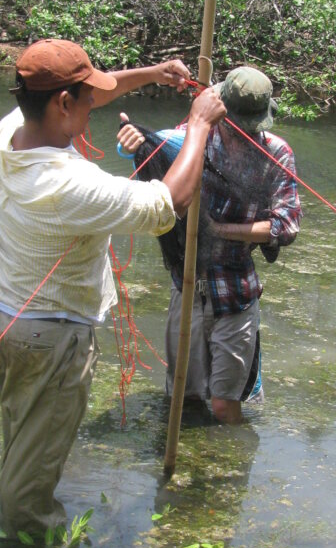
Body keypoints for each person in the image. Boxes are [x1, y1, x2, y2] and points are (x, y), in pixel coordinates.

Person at [0, 38, 226, 537]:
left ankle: (14, 526)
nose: (97, 102)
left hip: (4, 321)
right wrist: (199, 124)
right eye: (86, 97)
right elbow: (167, 203)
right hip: (49, 340)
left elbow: (89, 92)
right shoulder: (65, 184)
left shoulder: (10, 132)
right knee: (31, 478)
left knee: (23, 442)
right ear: (63, 104)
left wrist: (155, 72)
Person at [117, 66, 302, 424]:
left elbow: (286, 224)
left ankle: (232, 467)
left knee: (224, 404)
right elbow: (159, 149)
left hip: (235, 292)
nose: (241, 133)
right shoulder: (194, 137)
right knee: (183, 399)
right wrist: (131, 143)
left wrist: (220, 229)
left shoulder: (276, 154)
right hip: (186, 286)